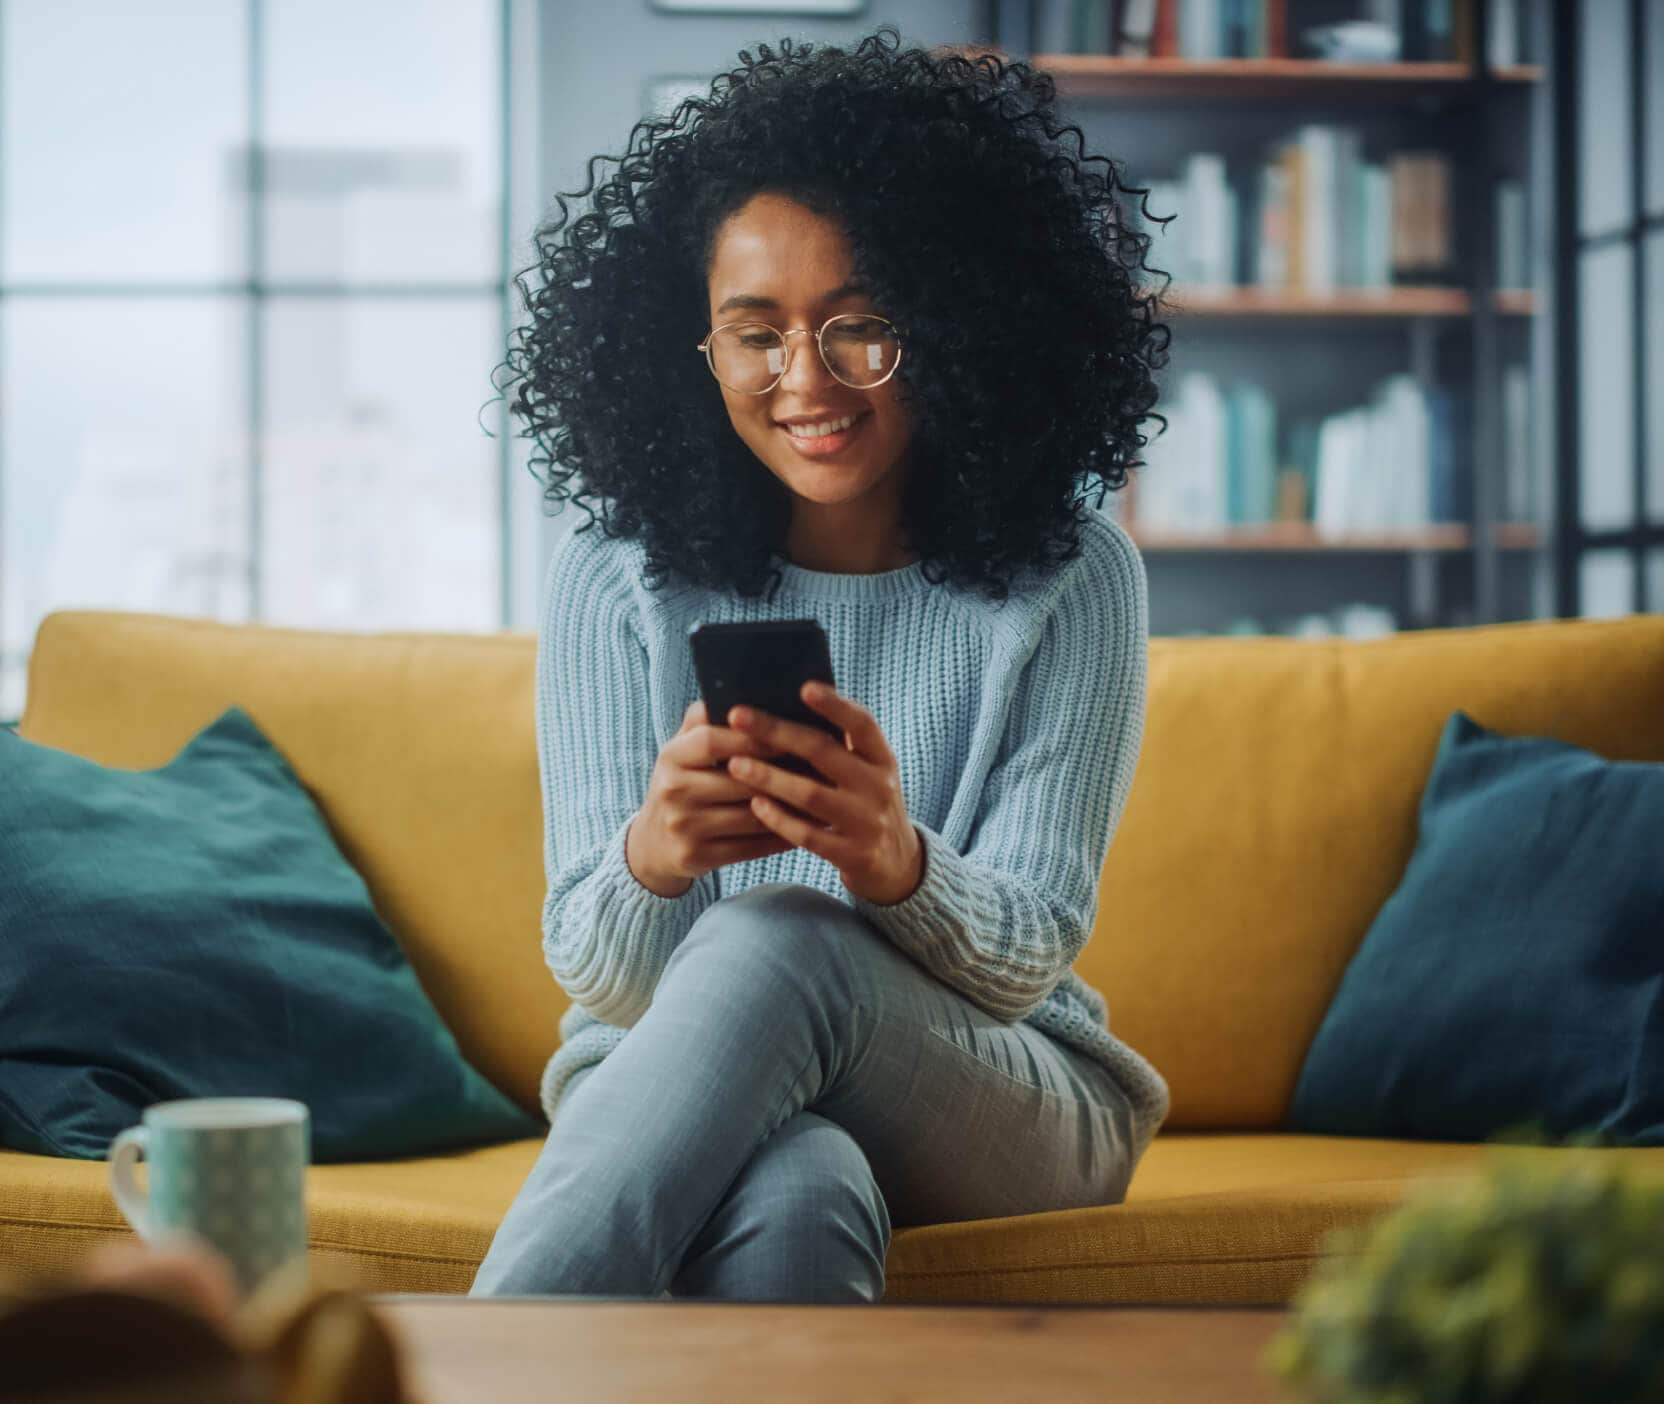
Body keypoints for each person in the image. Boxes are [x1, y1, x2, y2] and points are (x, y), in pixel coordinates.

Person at [470, 25, 1174, 1304]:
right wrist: (656, 856)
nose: (805, 381)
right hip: (668, 1082)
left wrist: (892, 863)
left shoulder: (1074, 578)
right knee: (801, 1193)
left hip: (1001, 1096)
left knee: (783, 935)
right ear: (692, 348)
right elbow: (604, 976)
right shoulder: (613, 573)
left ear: (962, 329)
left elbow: (1024, 960)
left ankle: (458, 1376)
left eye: (862, 329)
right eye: (754, 334)